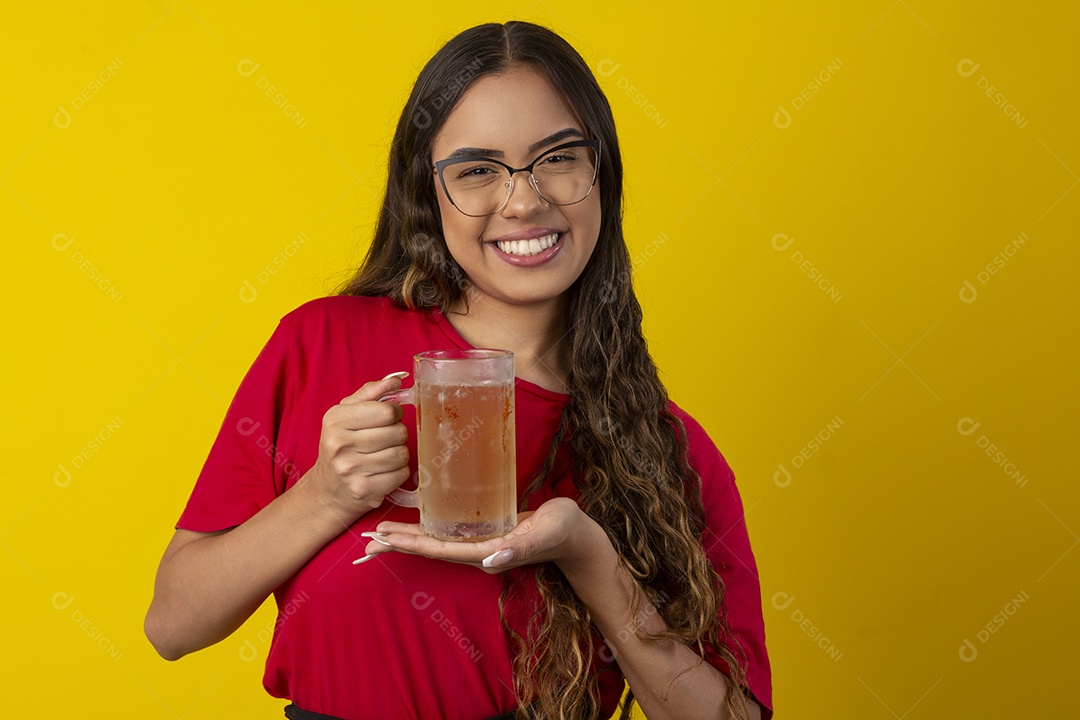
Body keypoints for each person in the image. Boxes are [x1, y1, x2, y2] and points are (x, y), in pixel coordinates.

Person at [144, 20, 772, 720]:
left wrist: (589, 557)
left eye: (558, 157)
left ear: (603, 175)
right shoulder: (320, 343)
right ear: (427, 192)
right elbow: (173, 625)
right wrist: (325, 495)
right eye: (477, 170)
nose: (525, 201)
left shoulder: (669, 449)